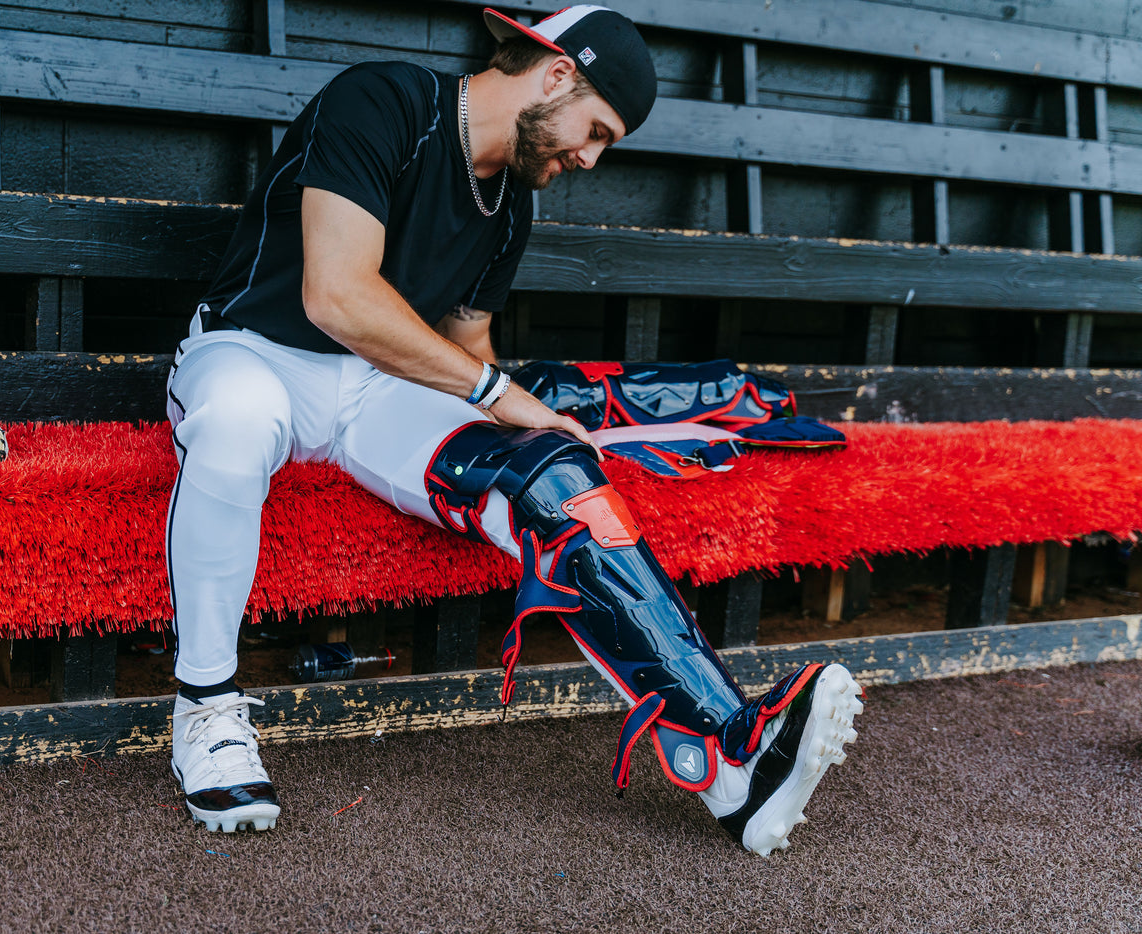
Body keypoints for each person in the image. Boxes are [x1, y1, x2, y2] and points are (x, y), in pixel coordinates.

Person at [164, 5, 863, 857]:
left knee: (552, 475)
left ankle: (727, 756)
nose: (590, 159)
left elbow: (464, 350)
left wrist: (542, 443)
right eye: (596, 131)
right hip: (254, 351)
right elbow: (337, 296)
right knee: (235, 423)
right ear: (558, 74)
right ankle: (205, 710)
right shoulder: (384, 101)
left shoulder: (510, 206)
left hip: (378, 392)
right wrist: (501, 395)